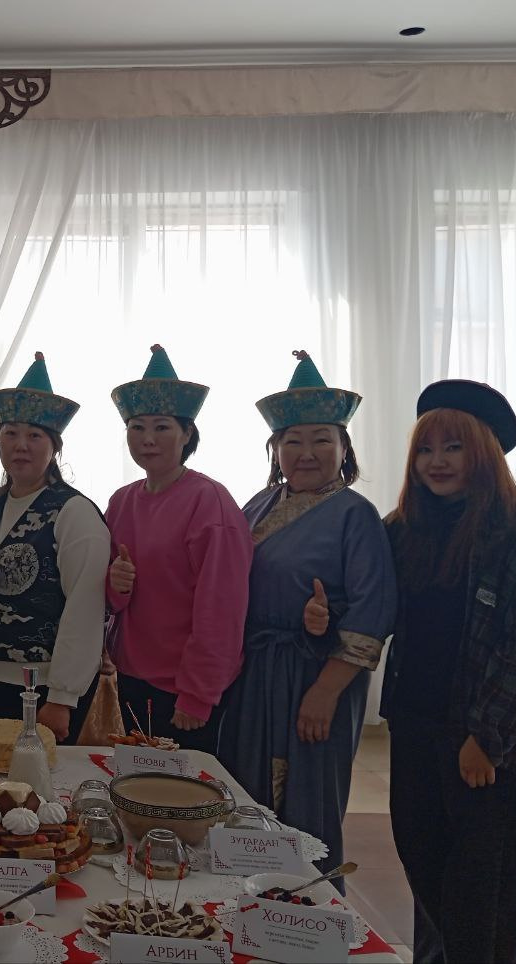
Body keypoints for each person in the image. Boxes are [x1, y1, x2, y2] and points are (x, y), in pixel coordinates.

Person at [217, 350, 396, 890]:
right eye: (292, 441)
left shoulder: (355, 515)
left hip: (313, 680)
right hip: (254, 677)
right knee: (246, 796)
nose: (307, 452)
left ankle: (307, 914)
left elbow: (373, 610)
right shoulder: (258, 504)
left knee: (304, 800)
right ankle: (241, 906)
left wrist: (324, 692)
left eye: (322, 439)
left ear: (344, 448)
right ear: (275, 450)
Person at [382, 379, 516, 962]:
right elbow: (372, 607)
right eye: (425, 449)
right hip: (412, 723)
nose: (435, 462)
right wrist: (322, 617)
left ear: (484, 451)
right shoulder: (402, 527)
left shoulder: (513, 529)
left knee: (480, 893)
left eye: (453, 447)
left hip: (481, 741)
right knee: (423, 863)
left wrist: (486, 738)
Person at [0, 353, 109, 744]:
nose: (21, 446)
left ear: (54, 446)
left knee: (40, 778)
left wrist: (62, 697)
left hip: (43, 688)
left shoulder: (73, 512)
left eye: (34, 436)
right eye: (10, 434)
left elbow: (85, 608)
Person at [105, 345, 252, 752]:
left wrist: (199, 693)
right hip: (132, 675)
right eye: (137, 427)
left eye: (162, 427)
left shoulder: (210, 502)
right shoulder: (121, 501)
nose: (148, 439)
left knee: (183, 787)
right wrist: (115, 583)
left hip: (183, 687)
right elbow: (111, 597)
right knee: (138, 778)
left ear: (187, 434)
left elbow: (222, 607)